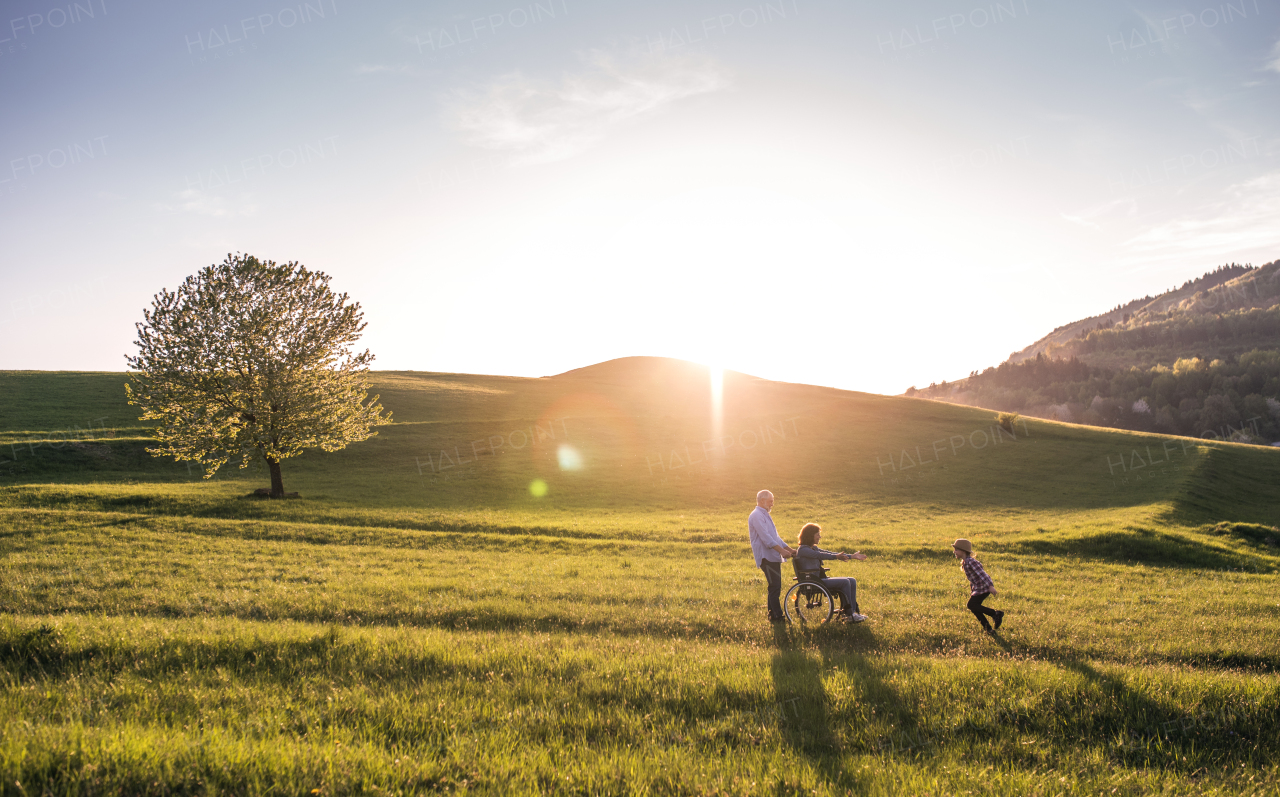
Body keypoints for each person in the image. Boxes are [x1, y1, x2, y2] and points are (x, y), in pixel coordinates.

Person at [793, 523, 868, 622]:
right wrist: (836, 557)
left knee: (852, 580)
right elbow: (820, 555)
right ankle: (849, 615)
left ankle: (852, 612)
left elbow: (829, 553)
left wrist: (852, 556)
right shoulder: (803, 550)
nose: (820, 537)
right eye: (817, 535)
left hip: (819, 580)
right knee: (845, 582)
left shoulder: (813, 547)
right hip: (814, 582)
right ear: (810, 536)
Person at [748, 490, 795, 624]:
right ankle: (778, 616)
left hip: (772, 556)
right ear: (762, 501)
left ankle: (773, 615)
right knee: (775, 586)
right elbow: (766, 538)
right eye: (770, 501)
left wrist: (790, 550)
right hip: (766, 557)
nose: (772, 504)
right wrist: (782, 551)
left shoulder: (765, 515)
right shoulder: (756, 515)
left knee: (774, 586)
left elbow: (776, 537)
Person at [953, 538, 1004, 632]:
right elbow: (973, 579)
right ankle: (988, 629)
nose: (954, 552)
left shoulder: (970, 562)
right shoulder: (965, 562)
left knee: (971, 605)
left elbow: (983, 575)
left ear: (963, 551)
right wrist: (973, 591)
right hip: (978, 589)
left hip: (983, 588)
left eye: (956, 550)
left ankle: (995, 614)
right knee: (974, 608)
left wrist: (990, 586)